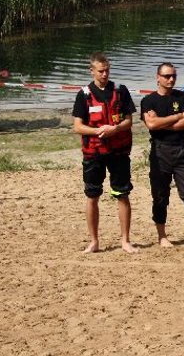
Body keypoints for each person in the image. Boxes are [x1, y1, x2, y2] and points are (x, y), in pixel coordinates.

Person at [72, 51, 138, 254]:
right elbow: (78, 126)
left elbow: (129, 121)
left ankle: (125, 241)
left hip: (118, 153)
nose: (105, 74)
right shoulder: (84, 95)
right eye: (101, 71)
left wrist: (115, 129)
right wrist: (98, 131)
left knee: (122, 194)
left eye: (107, 70)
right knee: (92, 195)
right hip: (94, 154)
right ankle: (94, 241)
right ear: (92, 71)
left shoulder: (121, 90)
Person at [140, 62, 184, 248]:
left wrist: (162, 122)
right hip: (160, 151)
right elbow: (151, 125)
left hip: (181, 150)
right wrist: (177, 116)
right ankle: (162, 236)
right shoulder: (149, 101)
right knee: (160, 196)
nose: (171, 80)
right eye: (167, 76)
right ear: (158, 78)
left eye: (174, 76)